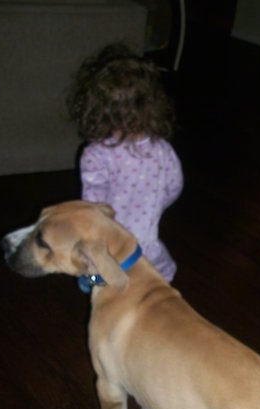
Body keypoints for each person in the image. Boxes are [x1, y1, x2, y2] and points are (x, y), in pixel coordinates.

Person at [67, 43, 183, 283]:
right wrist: (153, 206)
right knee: (159, 282)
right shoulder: (162, 149)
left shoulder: (96, 155)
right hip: (148, 245)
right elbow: (174, 186)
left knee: (107, 285)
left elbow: (93, 208)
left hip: (112, 245)